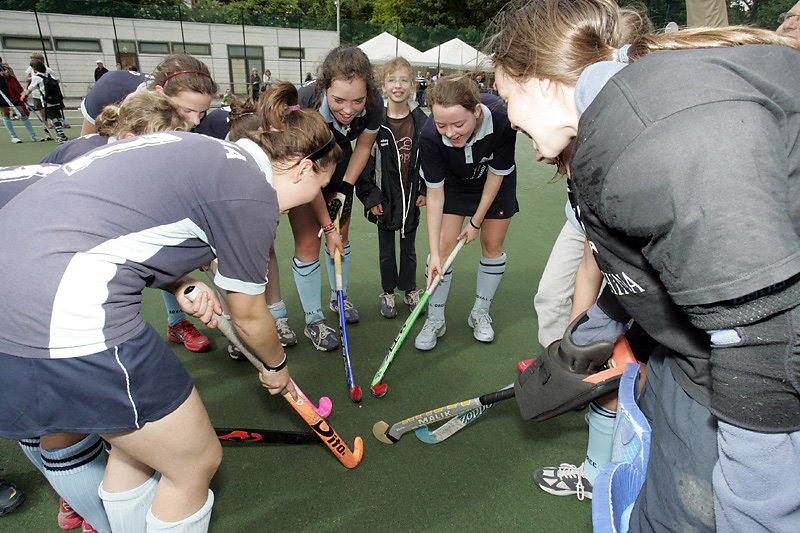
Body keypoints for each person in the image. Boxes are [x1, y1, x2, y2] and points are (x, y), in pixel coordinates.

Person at [492, 0, 800, 530]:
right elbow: (655, 258)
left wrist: (756, 514)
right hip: (693, 369)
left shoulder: (656, 131)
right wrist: (590, 335)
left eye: (503, 97)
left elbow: (760, 339)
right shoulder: (618, 116)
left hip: (746, 401)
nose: (508, 119)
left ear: (537, 80)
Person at [0, 85, 341, 532]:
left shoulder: (200, 147)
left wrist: (179, 280)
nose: (315, 196)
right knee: (194, 462)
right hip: (64, 309)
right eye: (320, 183)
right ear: (301, 168)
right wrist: (275, 366)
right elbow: (250, 315)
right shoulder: (250, 194)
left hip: (17, 287)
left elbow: (123, 220)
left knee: (132, 448)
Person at [78, 53, 218, 353]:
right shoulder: (111, 88)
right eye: (188, 111)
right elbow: (84, 155)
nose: (195, 121)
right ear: (160, 96)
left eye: (202, 113)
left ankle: (176, 321)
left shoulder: (188, 126)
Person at [414, 75, 518, 350]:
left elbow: (498, 174)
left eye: (459, 124)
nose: (450, 132)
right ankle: (435, 318)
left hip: (494, 182)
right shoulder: (429, 136)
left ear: (476, 111)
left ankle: (479, 313)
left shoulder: (502, 118)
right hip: (454, 182)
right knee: (444, 249)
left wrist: (475, 221)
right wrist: (435, 254)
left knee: (492, 245)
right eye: (441, 125)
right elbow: (435, 195)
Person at [293, 46, 382, 350]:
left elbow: (363, 147)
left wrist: (344, 188)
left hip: (340, 159)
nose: (348, 109)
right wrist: (325, 224)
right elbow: (305, 174)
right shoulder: (304, 102)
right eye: (339, 100)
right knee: (309, 240)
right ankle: (313, 320)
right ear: (324, 88)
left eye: (357, 100)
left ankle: (338, 297)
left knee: (340, 237)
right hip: (303, 165)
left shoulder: (373, 102)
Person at [356, 57, 427, 319]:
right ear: (383, 86)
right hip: (384, 198)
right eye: (392, 80)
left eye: (404, 80)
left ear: (413, 85)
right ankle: (388, 292)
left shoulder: (422, 121)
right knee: (386, 250)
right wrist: (370, 196)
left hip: (411, 198)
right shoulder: (376, 122)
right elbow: (363, 163)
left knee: (409, 247)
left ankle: (409, 289)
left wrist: (424, 190)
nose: (398, 85)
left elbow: (430, 162)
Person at [0, 55, 45, 144]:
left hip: (11, 93)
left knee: (22, 113)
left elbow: (13, 78)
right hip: (1, 95)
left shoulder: (5, 67)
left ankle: (33, 135)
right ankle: (13, 136)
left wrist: (7, 75)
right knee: (5, 113)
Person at [22, 58, 68, 143]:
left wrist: (25, 96)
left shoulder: (37, 77)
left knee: (53, 118)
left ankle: (62, 136)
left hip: (47, 101)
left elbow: (31, 88)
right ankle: (60, 134)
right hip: (56, 99)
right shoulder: (49, 75)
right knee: (57, 117)